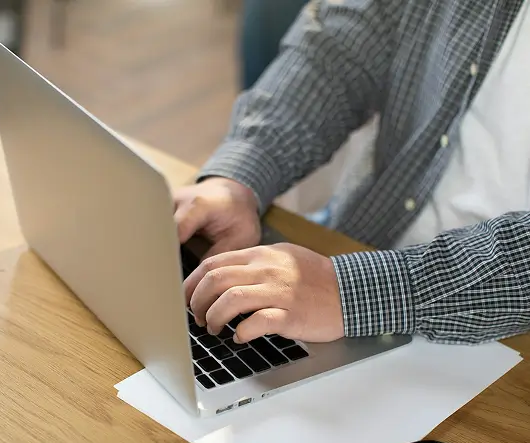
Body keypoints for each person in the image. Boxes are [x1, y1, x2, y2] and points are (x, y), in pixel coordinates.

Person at [174, 0, 530, 347]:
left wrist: (359, 292)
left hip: (501, 339)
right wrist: (241, 176)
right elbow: (343, 47)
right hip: (354, 255)